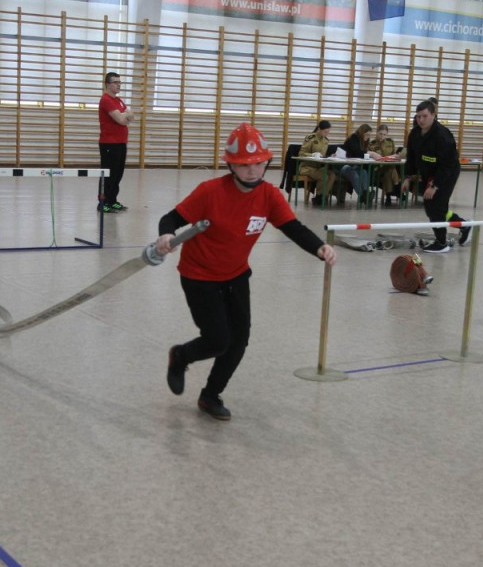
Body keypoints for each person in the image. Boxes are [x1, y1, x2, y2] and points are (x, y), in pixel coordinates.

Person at [157, 123, 337, 421]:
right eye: (244, 165)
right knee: (217, 340)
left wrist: (319, 248)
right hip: (199, 276)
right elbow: (170, 218)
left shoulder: (269, 196)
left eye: (258, 163)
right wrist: (165, 235)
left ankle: (210, 395)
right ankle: (181, 356)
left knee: (238, 341)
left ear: (267, 163)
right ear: (231, 165)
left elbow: (292, 228)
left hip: (236, 275)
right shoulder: (210, 191)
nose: (252, 171)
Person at [400, 100, 469, 253]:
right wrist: (407, 177)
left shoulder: (443, 136)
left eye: (424, 116)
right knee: (431, 207)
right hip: (429, 172)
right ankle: (463, 225)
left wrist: (434, 186)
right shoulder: (415, 133)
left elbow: (447, 165)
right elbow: (411, 157)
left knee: (436, 206)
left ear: (433, 115)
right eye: (418, 117)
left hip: (447, 173)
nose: (421, 120)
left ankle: (441, 242)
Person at [98, 72, 133, 213]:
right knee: (108, 174)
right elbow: (121, 119)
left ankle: (113, 200)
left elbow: (131, 116)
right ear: (108, 84)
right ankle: (103, 202)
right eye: (115, 82)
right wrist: (125, 116)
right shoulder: (106, 100)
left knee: (118, 174)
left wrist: (125, 116)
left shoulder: (119, 100)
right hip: (109, 143)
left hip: (121, 142)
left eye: (120, 82)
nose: (119, 85)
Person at [298, 120, 339, 206]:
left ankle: (321, 197)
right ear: (319, 129)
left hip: (318, 167)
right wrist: (312, 154)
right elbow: (301, 154)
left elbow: (321, 156)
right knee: (323, 175)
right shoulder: (311, 138)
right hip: (307, 167)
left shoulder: (326, 140)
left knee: (332, 175)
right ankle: (320, 198)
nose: (326, 134)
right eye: (325, 132)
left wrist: (330, 156)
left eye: (328, 132)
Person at [339, 123, 375, 205]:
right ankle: (364, 196)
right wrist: (371, 153)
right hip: (345, 165)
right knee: (354, 175)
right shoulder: (353, 138)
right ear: (362, 133)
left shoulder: (365, 141)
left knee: (364, 173)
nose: (368, 137)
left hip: (355, 166)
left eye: (369, 135)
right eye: (366, 134)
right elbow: (357, 152)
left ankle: (365, 195)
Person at [367, 123, 402, 206]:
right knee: (390, 169)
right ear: (376, 132)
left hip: (389, 167)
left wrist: (397, 156)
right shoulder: (371, 144)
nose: (382, 136)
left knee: (389, 171)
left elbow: (394, 154)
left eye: (384, 134)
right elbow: (369, 157)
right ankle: (397, 188)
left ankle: (389, 197)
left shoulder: (390, 142)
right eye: (380, 134)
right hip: (377, 169)